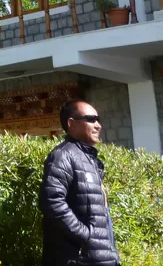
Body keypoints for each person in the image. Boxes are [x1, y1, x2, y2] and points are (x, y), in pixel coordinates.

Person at [40, 100, 120, 266]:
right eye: (91, 119)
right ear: (71, 124)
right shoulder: (63, 156)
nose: (98, 125)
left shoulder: (90, 160)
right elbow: (51, 202)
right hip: (78, 259)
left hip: (99, 258)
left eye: (98, 119)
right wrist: (87, 235)